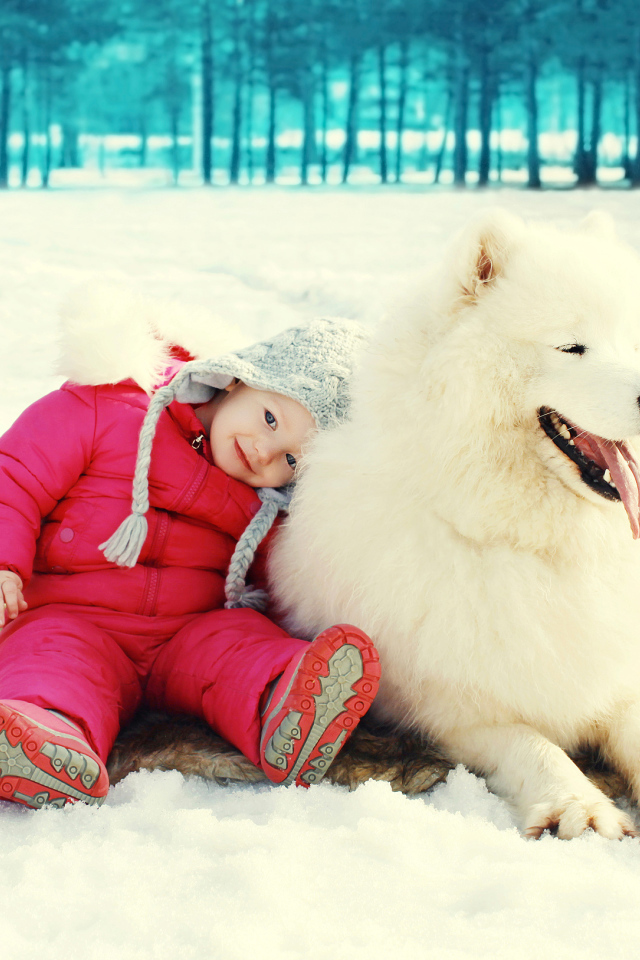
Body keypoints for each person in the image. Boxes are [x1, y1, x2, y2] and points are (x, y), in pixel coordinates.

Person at [0, 309, 380, 810]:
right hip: (72, 616)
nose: (264, 452)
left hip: (187, 632)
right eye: (270, 418)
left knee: (239, 647)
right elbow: (16, 478)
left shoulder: (270, 509)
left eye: (291, 459)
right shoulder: (109, 406)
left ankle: (289, 701)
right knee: (56, 665)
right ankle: (44, 737)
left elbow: (291, 581)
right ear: (238, 379)